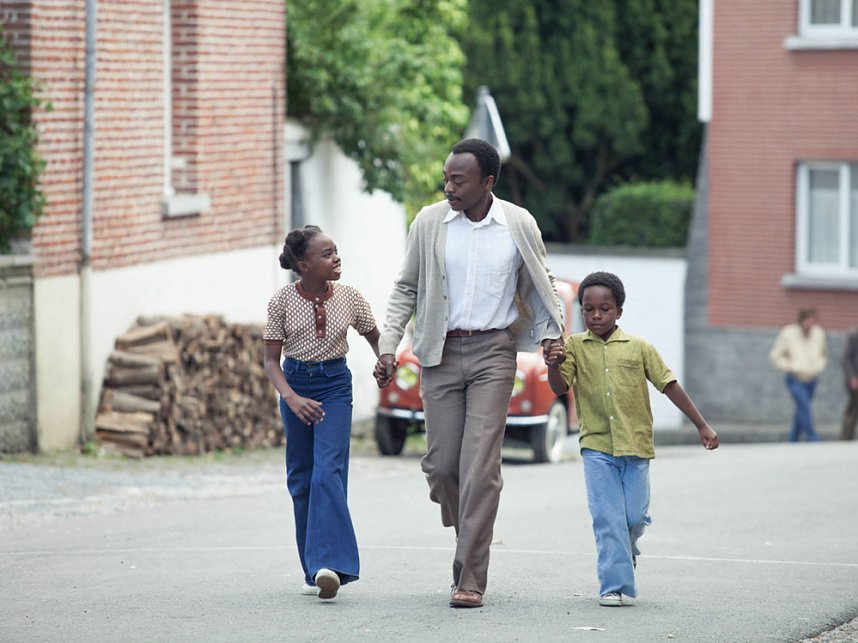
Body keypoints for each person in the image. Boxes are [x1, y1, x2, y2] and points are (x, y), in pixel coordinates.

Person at [373, 138, 566, 609]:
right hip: (439, 352)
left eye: (458, 180)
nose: (448, 187)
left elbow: (542, 284)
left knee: (480, 466)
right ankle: (470, 534)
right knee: (441, 468)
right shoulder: (429, 222)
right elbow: (405, 288)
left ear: (488, 182)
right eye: (445, 178)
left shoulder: (517, 223)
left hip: (494, 353)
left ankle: (471, 577)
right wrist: (388, 345)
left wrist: (551, 334)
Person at [545, 271, 719, 607]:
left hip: (636, 446)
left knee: (634, 518)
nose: (596, 315)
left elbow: (669, 384)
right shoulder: (573, 348)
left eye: (605, 309)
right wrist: (554, 364)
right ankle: (614, 584)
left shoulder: (639, 348)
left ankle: (627, 547)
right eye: (589, 309)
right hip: (596, 446)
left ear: (619, 312)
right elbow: (558, 387)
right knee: (607, 518)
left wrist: (702, 425)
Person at [263, 225, 381, 600]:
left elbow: (375, 336)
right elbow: (270, 361)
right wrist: (292, 399)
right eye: (327, 254)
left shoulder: (349, 296)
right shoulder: (281, 300)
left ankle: (332, 566)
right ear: (304, 264)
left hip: (334, 386)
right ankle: (313, 569)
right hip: (295, 384)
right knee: (301, 478)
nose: (336, 258)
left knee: (328, 471)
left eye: (336, 251)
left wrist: (385, 361)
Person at [768, 308, 828, 442]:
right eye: (807, 320)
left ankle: (793, 438)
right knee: (804, 405)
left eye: (813, 321)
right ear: (801, 320)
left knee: (801, 408)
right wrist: (789, 367)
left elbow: (823, 354)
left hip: (812, 378)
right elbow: (775, 355)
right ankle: (812, 438)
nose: (810, 324)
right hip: (795, 378)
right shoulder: (789, 333)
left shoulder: (818, 334)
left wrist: (818, 367)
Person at [840, 326, 858, 440]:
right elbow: (846, 358)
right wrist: (852, 377)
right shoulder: (854, 335)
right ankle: (845, 439)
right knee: (853, 409)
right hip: (855, 379)